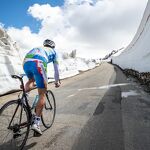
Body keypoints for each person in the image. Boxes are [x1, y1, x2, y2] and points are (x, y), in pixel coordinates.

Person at [23, 39, 61, 135]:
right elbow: (56, 69)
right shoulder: (54, 52)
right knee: (42, 93)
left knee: (31, 80)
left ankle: (23, 97)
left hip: (26, 62)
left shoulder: (38, 47)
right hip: (39, 63)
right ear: (53, 46)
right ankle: (36, 123)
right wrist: (57, 81)